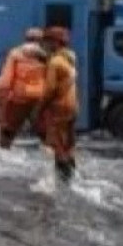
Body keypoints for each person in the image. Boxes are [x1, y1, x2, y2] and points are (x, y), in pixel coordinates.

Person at [37, 26, 78, 183]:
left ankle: (64, 181)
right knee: (69, 143)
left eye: (47, 42)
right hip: (73, 106)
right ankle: (73, 174)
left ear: (55, 42)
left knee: (58, 144)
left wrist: (39, 109)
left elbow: (50, 89)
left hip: (59, 108)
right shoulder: (70, 59)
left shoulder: (55, 62)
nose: (44, 46)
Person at [0, 27, 47, 148]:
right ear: (41, 40)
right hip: (40, 97)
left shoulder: (16, 53)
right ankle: (53, 154)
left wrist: (2, 93)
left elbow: (6, 79)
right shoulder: (47, 55)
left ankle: (3, 151)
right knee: (44, 130)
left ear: (25, 39)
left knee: (8, 130)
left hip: (19, 97)